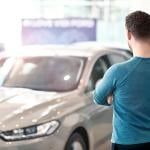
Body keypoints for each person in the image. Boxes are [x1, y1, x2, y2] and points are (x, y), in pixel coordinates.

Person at [93, 11, 150, 150]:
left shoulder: (117, 72)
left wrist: (113, 94)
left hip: (127, 143)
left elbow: (98, 98)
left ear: (129, 34)